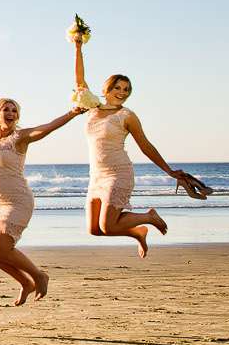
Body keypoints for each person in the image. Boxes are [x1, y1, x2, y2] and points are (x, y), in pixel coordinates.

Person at [0, 80, 85, 305]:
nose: (11, 113)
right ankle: (25, 283)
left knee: (2, 248)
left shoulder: (21, 137)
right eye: (6, 109)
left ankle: (39, 275)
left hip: (18, 201)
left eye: (14, 110)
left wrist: (72, 113)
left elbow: (49, 127)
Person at [72, 33, 191, 257]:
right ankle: (138, 232)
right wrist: (78, 47)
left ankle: (149, 217)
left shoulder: (127, 116)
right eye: (118, 88)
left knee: (108, 225)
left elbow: (146, 145)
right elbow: (79, 81)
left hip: (119, 173)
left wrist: (169, 171)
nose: (122, 93)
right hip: (96, 176)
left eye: (126, 90)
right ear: (106, 89)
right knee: (95, 230)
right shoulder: (92, 107)